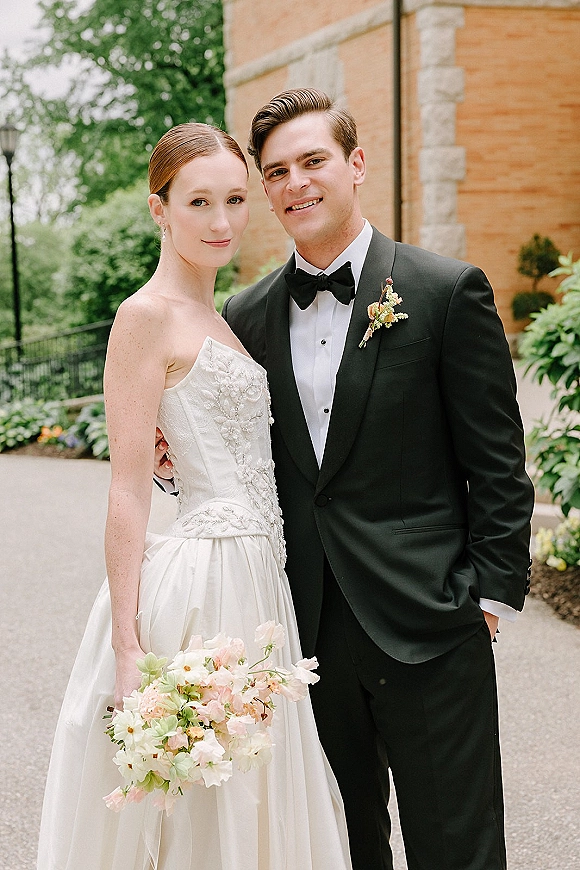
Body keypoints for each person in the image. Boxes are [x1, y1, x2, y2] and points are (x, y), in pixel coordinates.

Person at [156, 88, 534, 870]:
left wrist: (486, 600)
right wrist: (172, 461)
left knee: (457, 848)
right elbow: (238, 452)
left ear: (356, 164)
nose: (296, 182)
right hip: (304, 633)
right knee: (335, 847)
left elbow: (497, 463)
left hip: (431, 625)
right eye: (277, 171)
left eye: (313, 161)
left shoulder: (444, 291)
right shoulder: (245, 314)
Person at [37, 122, 352, 870]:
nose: (222, 222)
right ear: (160, 209)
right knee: (207, 795)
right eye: (199, 202)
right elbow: (126, 486)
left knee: (252, 787)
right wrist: (127, 648)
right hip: (207, 583)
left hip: (263, 578)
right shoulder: (144, 317)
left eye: (236, 200)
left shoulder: (225, 317)